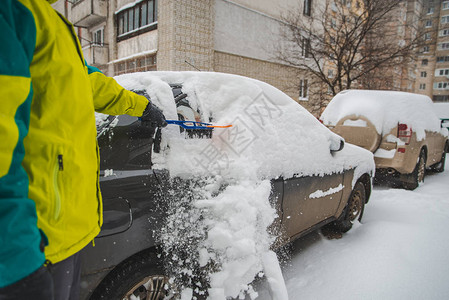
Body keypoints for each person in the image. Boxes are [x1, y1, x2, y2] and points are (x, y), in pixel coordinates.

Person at [0, 0, 166, 299]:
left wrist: (141, 106)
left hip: (71, 231)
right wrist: (12, 258)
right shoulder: (13, 11)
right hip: (33, 240)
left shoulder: (51, 23)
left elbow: (91, 84)